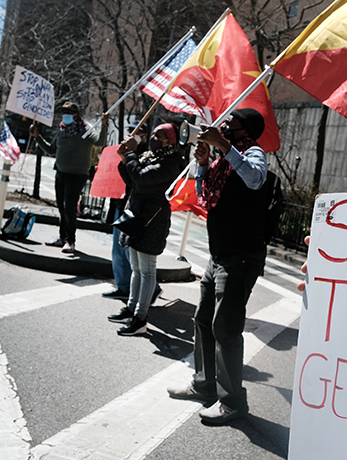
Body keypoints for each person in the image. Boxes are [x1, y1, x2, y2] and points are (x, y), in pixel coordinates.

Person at [166, 108, 270, 425]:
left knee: (225, 328)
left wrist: (225, 148)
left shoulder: (253, 153)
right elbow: (204, 196)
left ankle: (233, 403)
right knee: (202, 321)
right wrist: (201, 165)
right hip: (219, 256)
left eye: (229, 123)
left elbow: (255, 179)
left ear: (244, 129)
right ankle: (203, 384)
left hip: (240, 258)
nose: (223, 126)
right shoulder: (224, 161)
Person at [106, 123, 185, 336]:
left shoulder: (172, 162)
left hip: (153, 219)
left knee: (147, 270)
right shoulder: (151, 155)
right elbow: (131, 179)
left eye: (159, 135)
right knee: (136, 268)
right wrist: (125, 158)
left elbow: (142, 178)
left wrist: (131, 154)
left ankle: (140, 318)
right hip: (136, 214)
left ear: (169, 140)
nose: (153, 138)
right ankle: (131, 308)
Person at [30, 102, 108, 253]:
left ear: (76, 114)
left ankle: (70, 241)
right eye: (63, 112)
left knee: (69, 208)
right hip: (60, 173)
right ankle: (62, 238)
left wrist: (104, 126)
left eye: (69, 112)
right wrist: (37, 137)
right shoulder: (62, 130)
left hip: (77, 175)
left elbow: (100, 142)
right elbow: (51, 150)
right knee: (61, 207)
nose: (65, 115)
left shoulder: (85, 130)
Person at [102, 120, 162, 303]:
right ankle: (123, 287)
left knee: (132, 254)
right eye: (130, 131)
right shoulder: (125, 151)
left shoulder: (145, 156)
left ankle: (152, 289)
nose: (132, 134)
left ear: (144, 136)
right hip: (121, 204)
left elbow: (137, 179)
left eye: (137, 132)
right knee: (118, 250)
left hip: (134, 208)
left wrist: (130, 156)